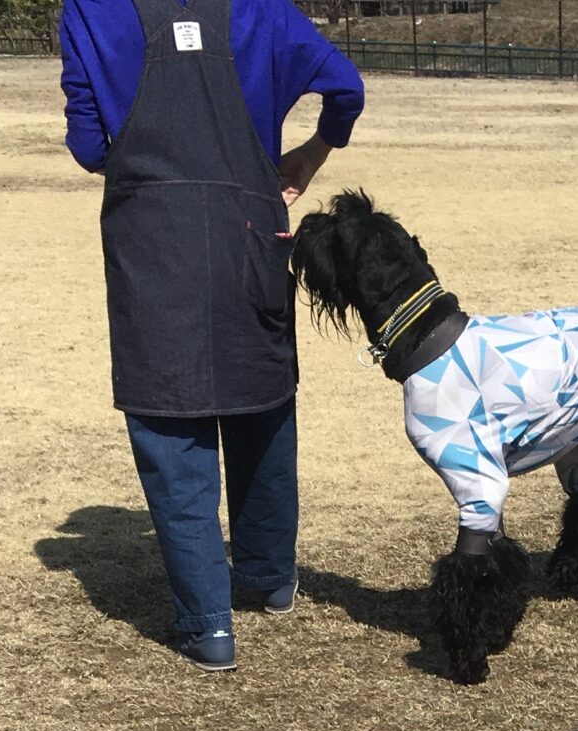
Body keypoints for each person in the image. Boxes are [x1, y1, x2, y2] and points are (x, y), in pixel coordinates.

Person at [60, 0, 365, 670]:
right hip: (251, 227)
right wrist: (312, 153)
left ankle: (209, 627)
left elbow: (88, 145)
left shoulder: (89, 8)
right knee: (262, 400)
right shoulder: (262, 8)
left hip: (150, 236)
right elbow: (346, 87)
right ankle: (268, 575)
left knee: (169, 420)